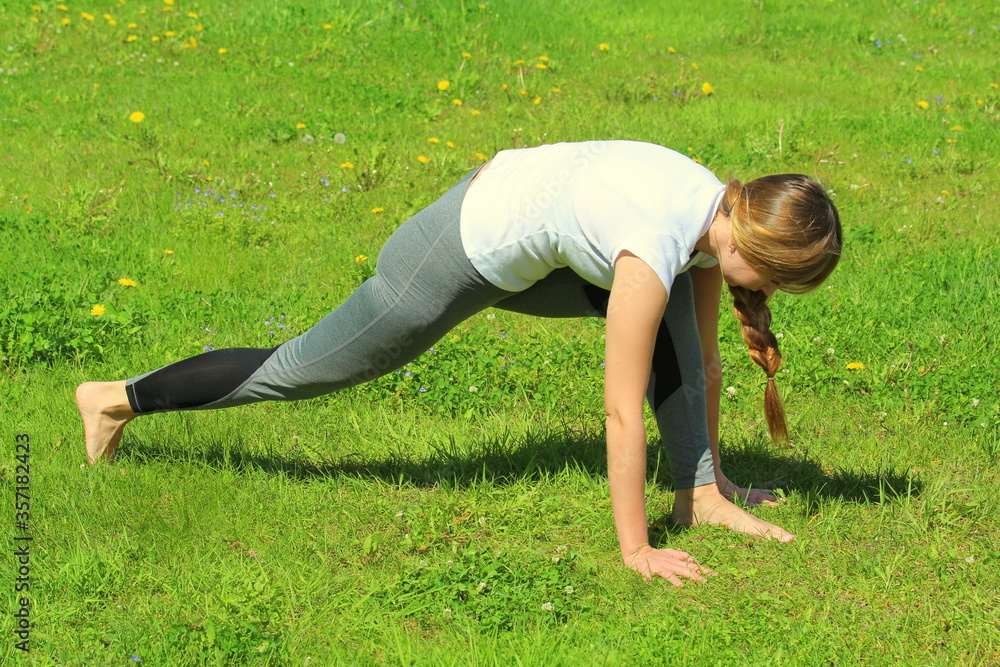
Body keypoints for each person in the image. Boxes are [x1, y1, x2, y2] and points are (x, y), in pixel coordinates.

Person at [77, 140, 841, 586]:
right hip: (455, 250)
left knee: (679, 332)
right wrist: (634, 550)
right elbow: (617, 408)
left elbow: (699, 360)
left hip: (536, 237)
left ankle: (698, 496)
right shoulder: (654, 244)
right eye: (779, 281)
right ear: (755, 245)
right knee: (308, 364)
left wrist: (712, 480)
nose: (773, 296)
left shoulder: (714, 216)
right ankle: (116, 398)